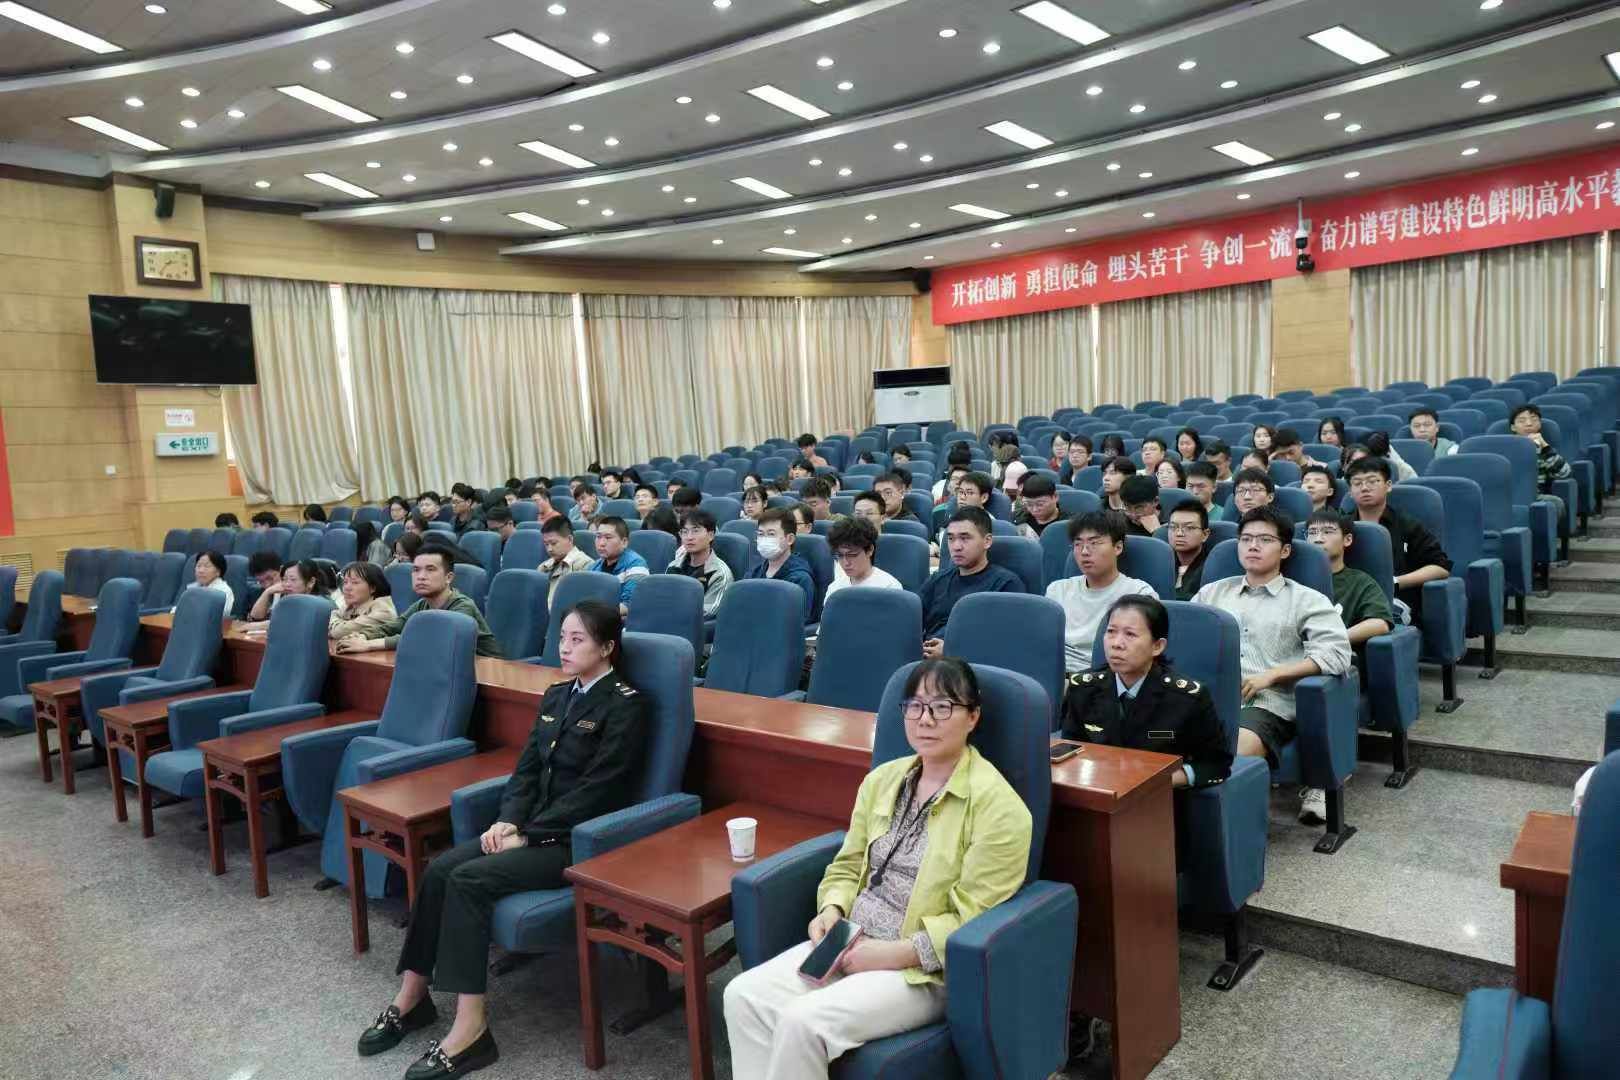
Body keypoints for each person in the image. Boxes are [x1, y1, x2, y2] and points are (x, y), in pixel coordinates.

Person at [362, 601, 646, 1078]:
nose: (564, 647)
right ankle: (413, 997)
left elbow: (602, 790)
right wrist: (509, 821)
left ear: (606, 648)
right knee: (440, 869)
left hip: (576, 842)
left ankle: (471, 1030)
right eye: (562, 637)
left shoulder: (626, 704)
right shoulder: (557, 695)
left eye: (577, 639)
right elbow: (527, 772)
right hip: (530, 830)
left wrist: (529, 836)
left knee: (468, 881)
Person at [724, 656, 1031, 1080]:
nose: (925, 719)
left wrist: (895, 953)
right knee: (742, 996)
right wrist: (832, 909)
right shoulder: (883, 780)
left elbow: (974, 917)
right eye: (915, 706)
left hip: (923, 968)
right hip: (851, 937)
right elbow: (849, 863)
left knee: (802, 1023)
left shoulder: (1001, 809)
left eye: (943, 707)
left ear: (973, 716)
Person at [1193, 506, 1351, 825]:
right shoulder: (1212, 593)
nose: (1253, 546)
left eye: (1265, 540)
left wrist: (1274, 675)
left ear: (1285, 550)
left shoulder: (1306, 599)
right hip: (1205, 700)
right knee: (1152, 736)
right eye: (1246, 538)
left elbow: (1337, 654)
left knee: (1231, 751)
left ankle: (1234, 835)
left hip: (1266, 705)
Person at [1061, 595, 1231, 791]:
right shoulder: (1083, 688)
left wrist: (1162, 780)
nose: (1116, 643)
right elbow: (1072, 750)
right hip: (1097, 791)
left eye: (1130, 634)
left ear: (1157, 646)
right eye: (1111, 632)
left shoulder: (1187, 698)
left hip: (1157, 796)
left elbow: (1216, 764)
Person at [337, 547, 502, 658]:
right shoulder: (422, 604)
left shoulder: (462, 606)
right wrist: (363, 635)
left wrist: (369, 644)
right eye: (416, 570)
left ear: (448, 577)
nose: (421, 576)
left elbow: (430, 639)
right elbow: (393, 627)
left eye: (430, 569)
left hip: (488, 672)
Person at [1045, 512, 1156, 672]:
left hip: (1105, 676)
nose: (1084, 551)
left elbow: (1137, 654)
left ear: (1118, 547)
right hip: (1054, 673)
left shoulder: (1139, 594)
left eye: (1094, 543)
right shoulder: (1057, 590)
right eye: (1078, 544)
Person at [1344, 456, 1451, 620]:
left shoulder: (1407, 525)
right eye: (1357, 483)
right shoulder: (1342, 527)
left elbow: (1441, 567)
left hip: (1396, 600)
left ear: (1388, 486)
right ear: (1350, 492)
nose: (1364, 488)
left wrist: (1395, 582)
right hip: (1350, 600)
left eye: (1372, 481)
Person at [918, 507, 1024, 657]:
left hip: (971, 663)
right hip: (926, 658)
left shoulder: (1006, 584)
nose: (956, 547)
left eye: (965, 538)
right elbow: (911, 623)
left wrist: (953, 650)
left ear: (987, 541)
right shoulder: (937, 579)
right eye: (951, 538)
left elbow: (1005, 641)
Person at [1304, 509, 1394, 668]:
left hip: (1332, 658)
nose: (1318, 539)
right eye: (1312, 532)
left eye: (1328, 532)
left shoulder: (1359, 582)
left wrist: (1333, 640)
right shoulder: (1294, 579)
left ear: (1347, 539)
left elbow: (1380, 623)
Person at [745, 507, 817, 622]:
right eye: (760, 534)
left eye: (771, 534)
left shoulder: (800, 579)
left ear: (790, 539)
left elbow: (796, 623)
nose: (764, 540)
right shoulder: (754, 573)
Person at [1510, 403, 1571, 524]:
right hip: (1508, 497)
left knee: (1556, 503)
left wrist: (1544, 446)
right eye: (1522, 421)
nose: (1529, 424)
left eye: (1534, 419)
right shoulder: (1505, 447)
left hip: (1535, 496)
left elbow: (1564, 473)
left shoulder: (1544, 450)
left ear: (1540, 424)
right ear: (1513, 427)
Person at [668, 508, 734, 617]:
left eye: (695, 531)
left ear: (711, 535)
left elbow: (708, 613)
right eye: (684, 532)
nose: (689, 537)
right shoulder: (673, 566)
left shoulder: (720, 574)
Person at [826, 515, 903, 596]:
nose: (845, 563)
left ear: (870, 550)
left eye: (852, 555)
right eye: (840, 555)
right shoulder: (835, 588)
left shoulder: (889, 587)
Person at [588, 517, 649, 614]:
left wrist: (594, 614)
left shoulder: (637, 565)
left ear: (624, 542)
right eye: (598, 537)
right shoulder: (593, 567)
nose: (601, 543)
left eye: (608, 538)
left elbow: (629, 605)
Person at [246, 558, 333, 622]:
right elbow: (255, 618)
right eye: (284, 579)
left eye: (293, 579)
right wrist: (267, 592)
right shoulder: (287, 599)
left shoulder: (322, 603)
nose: (287, 584)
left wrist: (256, 626)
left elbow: (290, 623)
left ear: (311, 582)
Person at [329, 561, 397, 642]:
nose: (347, 588)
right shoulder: (354, 605)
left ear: (372, 588)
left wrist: (333, 620)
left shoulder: (384, 611)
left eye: (355, 582)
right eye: (345, 582)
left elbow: (338, 632)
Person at [538, 514, 593, 607]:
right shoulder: (543, 567)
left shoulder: (585, 564)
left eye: (553, 543)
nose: (549, 549)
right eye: (546, 544)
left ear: (570, 539)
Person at [1168, 502, 1212, 600]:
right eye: (1173, 527)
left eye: (1189, 528)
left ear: (1205, 534)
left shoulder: (1211, 567)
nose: (1179, 533)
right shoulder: (1160, 563)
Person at [179, 550, 234, 614]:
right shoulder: (191, 589)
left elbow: (220, 615)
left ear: (218, 572)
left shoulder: (224, 592)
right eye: (198, 566)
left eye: (207, 566)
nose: (201, 570)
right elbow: (179, 608)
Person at [1015, 474, 1067, 540]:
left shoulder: (1069, 524)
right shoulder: (1017, 518)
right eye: (1029, 504)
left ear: (1055, 497)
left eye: (1040, 504)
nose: (1035, 509)